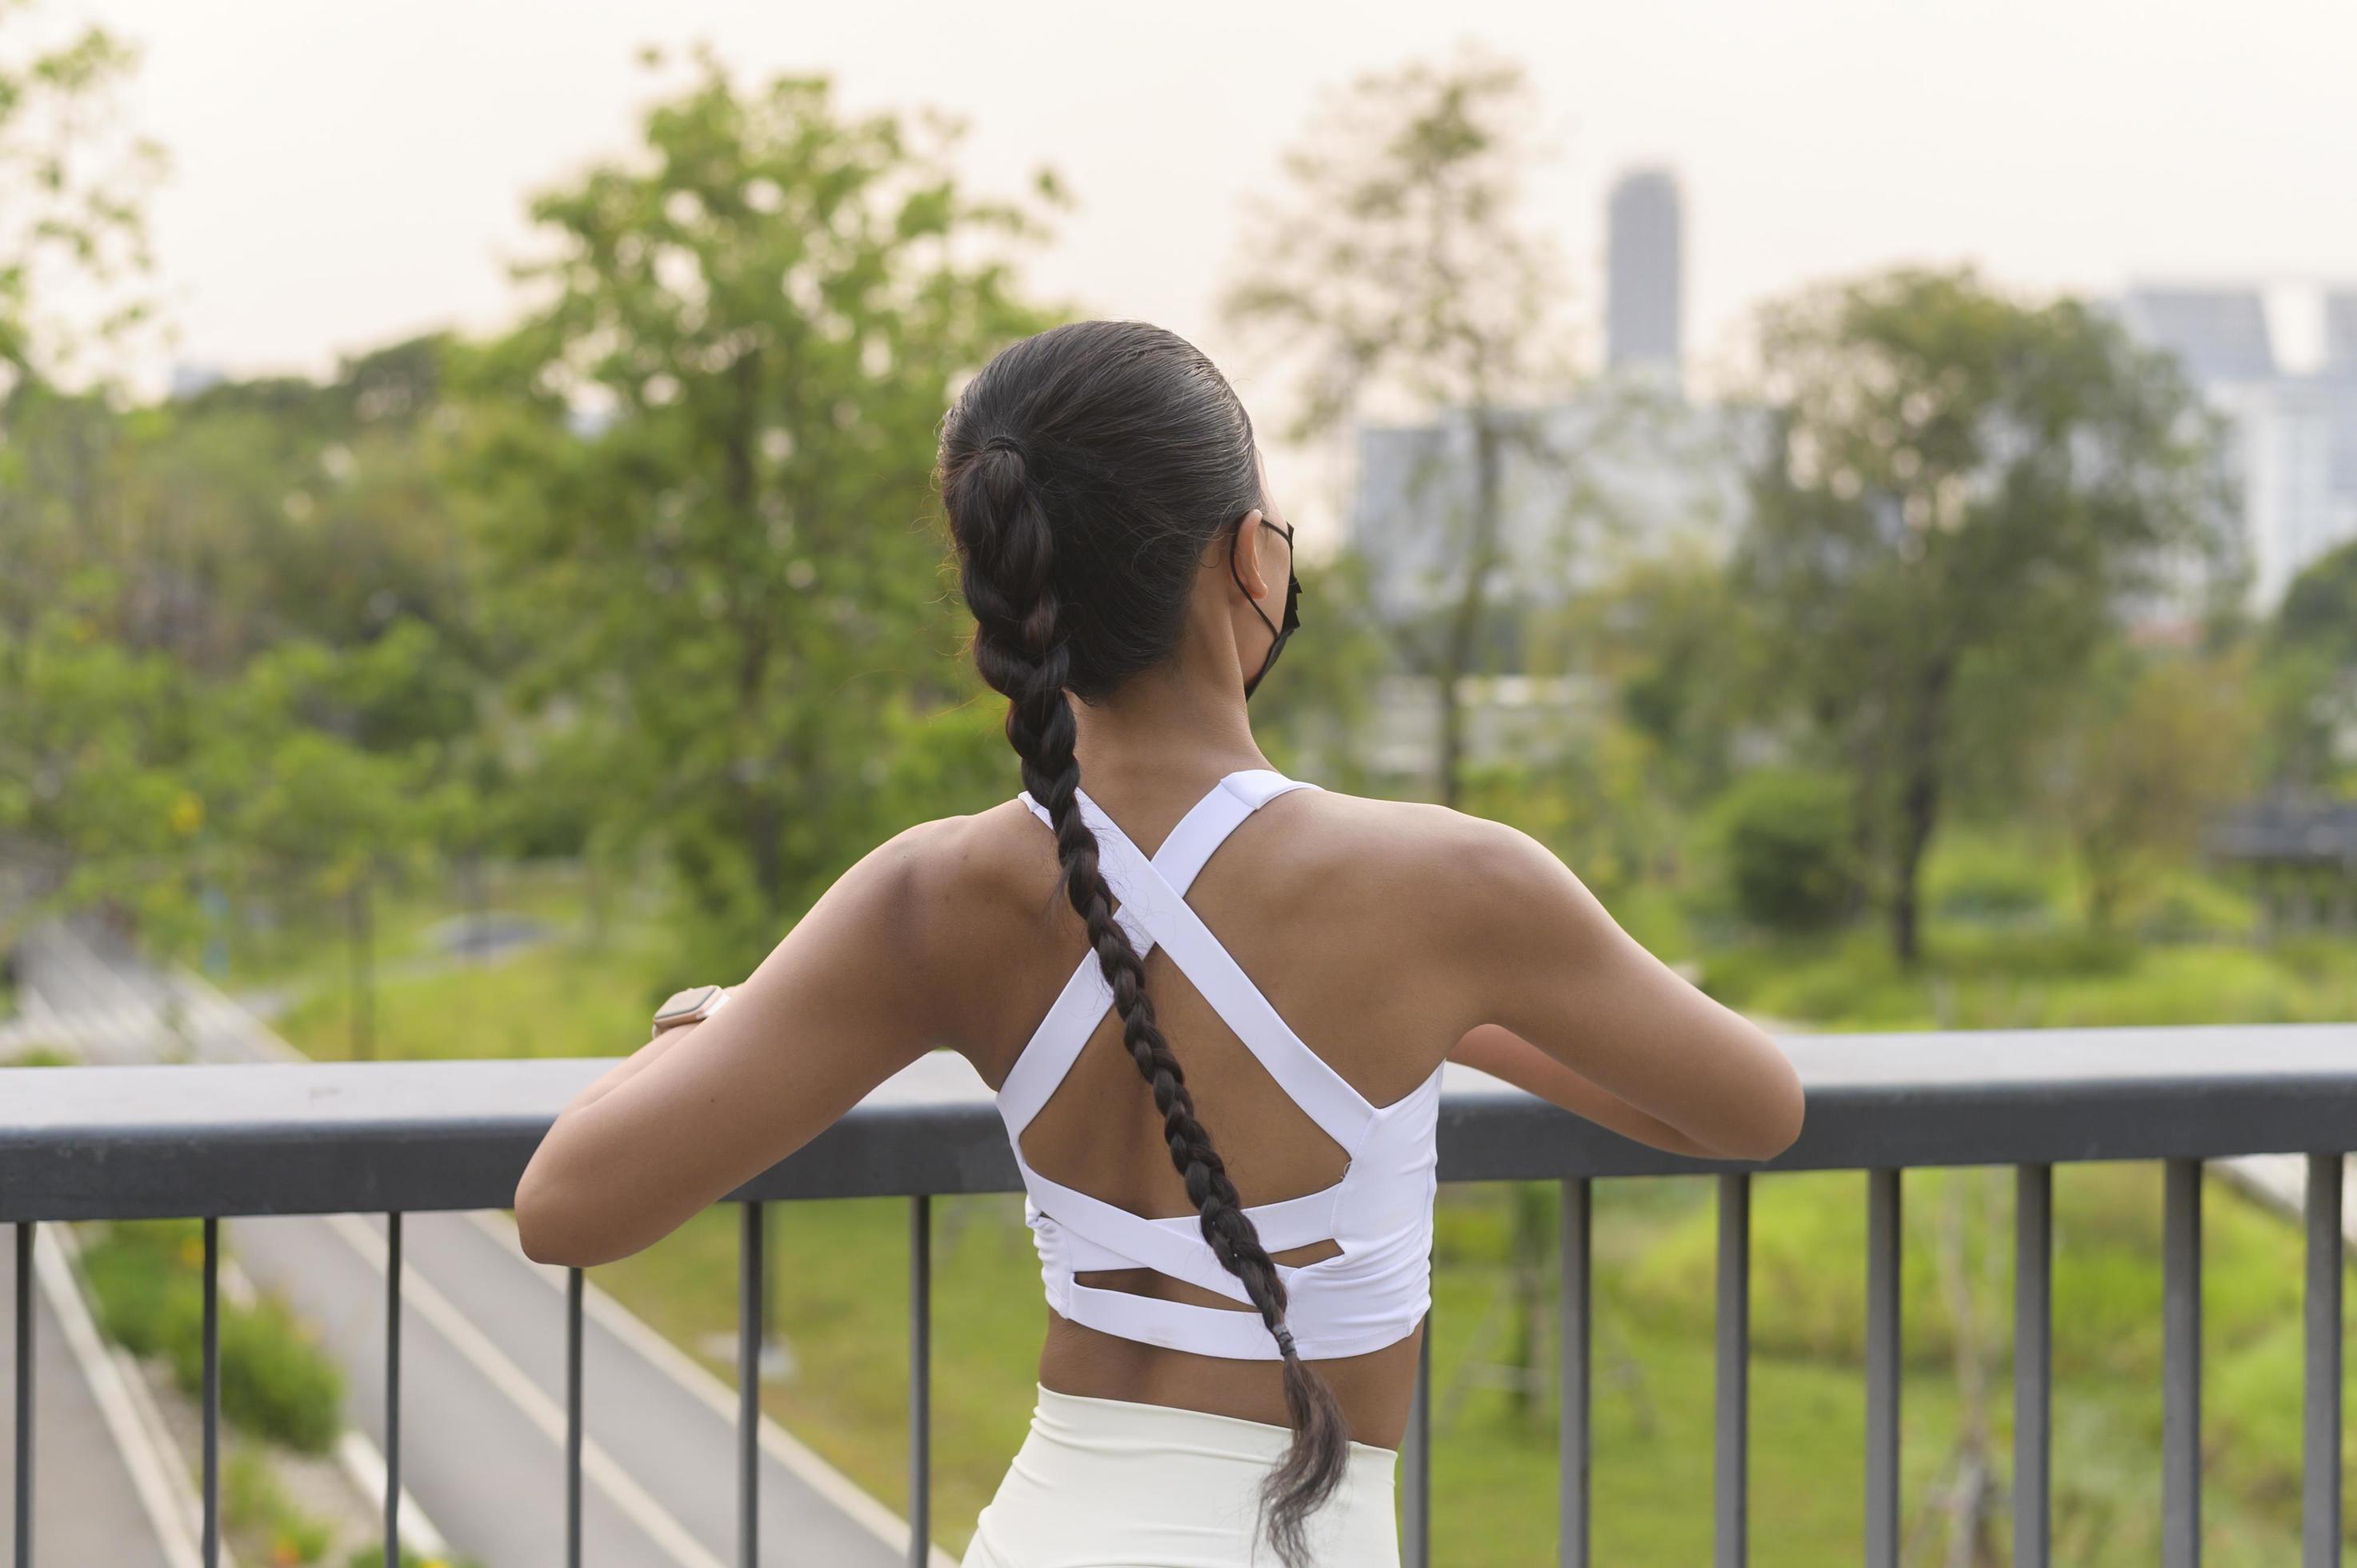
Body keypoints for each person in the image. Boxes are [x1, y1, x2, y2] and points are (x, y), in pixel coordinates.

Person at [514, 319, 1805, 1567]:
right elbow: (1750, 1109)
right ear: (1252, 557)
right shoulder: (1449, 888)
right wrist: (1436, 1004)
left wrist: (713, 1019)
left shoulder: (928, 897)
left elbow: (565, 1208)